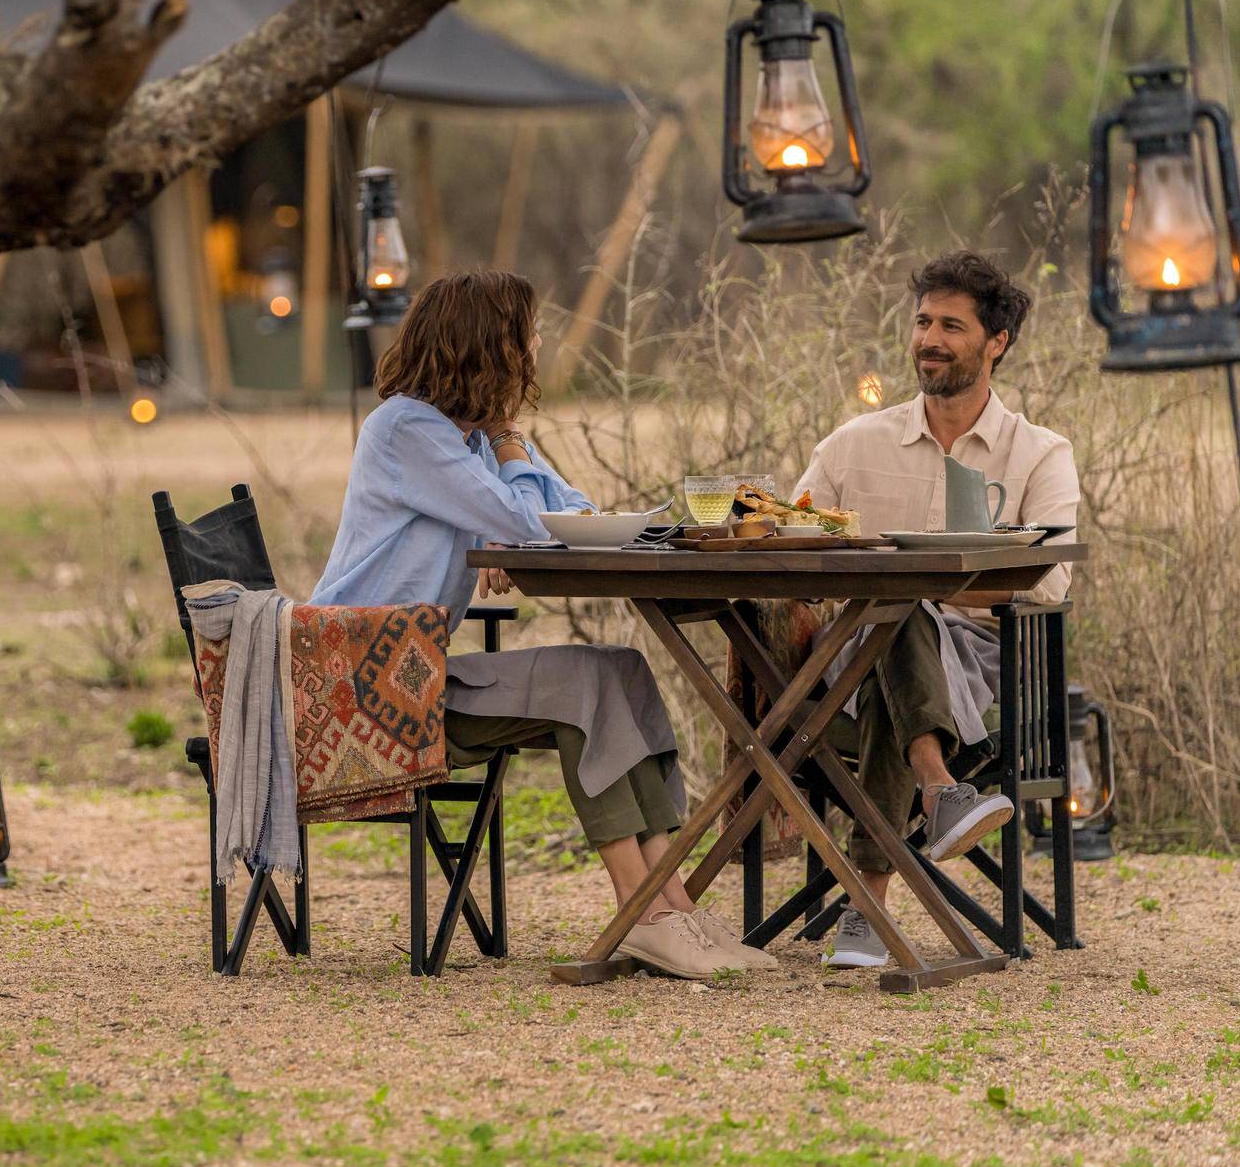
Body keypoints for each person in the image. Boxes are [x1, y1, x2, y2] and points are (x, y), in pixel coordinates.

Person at [310, 269, 767, 979]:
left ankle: (672, 906)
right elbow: (528, 520)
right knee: (582, 685)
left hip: (414, 672)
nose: (539, 346)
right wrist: (511, 483)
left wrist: (509, 463)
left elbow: (571, 514)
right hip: (361, 687)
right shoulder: (408, 430)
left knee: (619, 670)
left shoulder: (469, 440)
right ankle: (641, 915)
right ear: (491, 349)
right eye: (528, 335)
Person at [794, 251, 1080, 969]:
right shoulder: (854, 443)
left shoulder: (1041, 454)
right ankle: (936, 789)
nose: (930, 338)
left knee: (900, 612)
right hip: (853, 672)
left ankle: (869, 900)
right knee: (894, 621)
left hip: (989, 665)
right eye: (923, 321)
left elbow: (1048, 585)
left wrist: (931, 590)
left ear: (996, 342)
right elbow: (788, 537)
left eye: (952, 325)